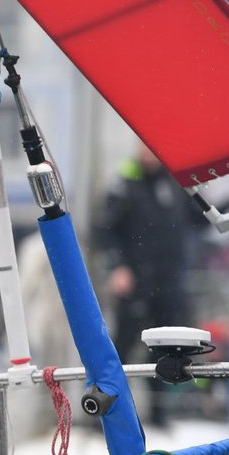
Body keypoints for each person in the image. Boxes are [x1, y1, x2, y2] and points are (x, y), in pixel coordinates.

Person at [95, 141, 207, 427]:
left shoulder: (173, 184)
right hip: (136, 282)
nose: (149, 154)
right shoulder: (126, 183)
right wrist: (117, 267)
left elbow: (199, 220)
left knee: (165, 349)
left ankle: (158, 413)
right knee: (122, 344)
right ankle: (105, 408)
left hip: (168, 283)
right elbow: (105, 230)